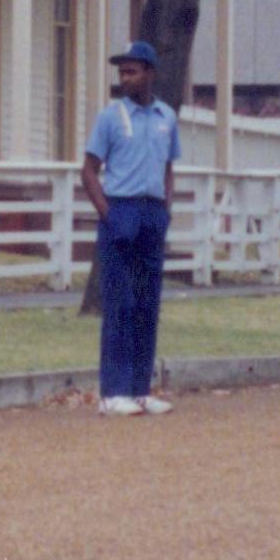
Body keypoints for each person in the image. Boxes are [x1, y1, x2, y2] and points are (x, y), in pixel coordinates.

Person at [80, 39, 181, 417]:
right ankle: (113, 392)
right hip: (121, 210)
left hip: (152, 213)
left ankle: (140, 389)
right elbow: (88, 170)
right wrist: (107, 212)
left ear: (150, 74)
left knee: (146, 303)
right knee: (119, 302)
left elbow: (169, 167)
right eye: (122, 72)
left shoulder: (166, 118)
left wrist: (166, 210)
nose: (125, 78)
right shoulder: (110, 117)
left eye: (132, 71)